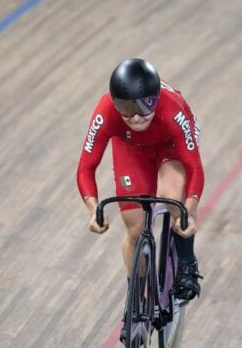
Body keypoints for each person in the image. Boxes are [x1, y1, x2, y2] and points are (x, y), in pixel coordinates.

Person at [76, 58, 204, 305]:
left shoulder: (172, 109)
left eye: (145, 106)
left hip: (170, 144)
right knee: (135, 228)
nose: (135, 117)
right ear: (115, 103)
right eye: (125, 108)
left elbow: (194, 166)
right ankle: (136, 298)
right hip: (132, 147)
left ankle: (187, 262)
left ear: (155, 98)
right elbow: (86, 166)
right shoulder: (106, 112)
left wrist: (189, 212)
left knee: (173, 197)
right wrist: (93, 210)